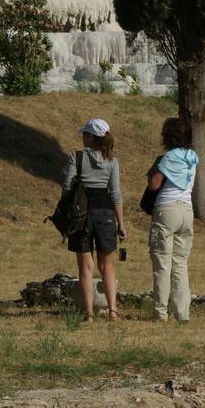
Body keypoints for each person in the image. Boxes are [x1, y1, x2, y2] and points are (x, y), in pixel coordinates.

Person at [64, 118, 125, 320]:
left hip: (81, 215)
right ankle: (113, 311)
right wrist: (121, 224)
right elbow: (115, 194)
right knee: (107, 265)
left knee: (85, 266)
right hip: (105, 214)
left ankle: (89, 313)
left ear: (90, 137)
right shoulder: (112, 161)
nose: (82, 137)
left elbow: (67, 188)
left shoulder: (76, 158)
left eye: (85, 134)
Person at [146, 117, 198, 323]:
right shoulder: (193, 156)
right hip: (187, 210)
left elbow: (154, 184)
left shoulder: (168, 157)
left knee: (162, 262)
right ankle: (182, 312)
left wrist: (155, 167)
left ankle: (160, 312)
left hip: (167, 209)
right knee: (180, 262)